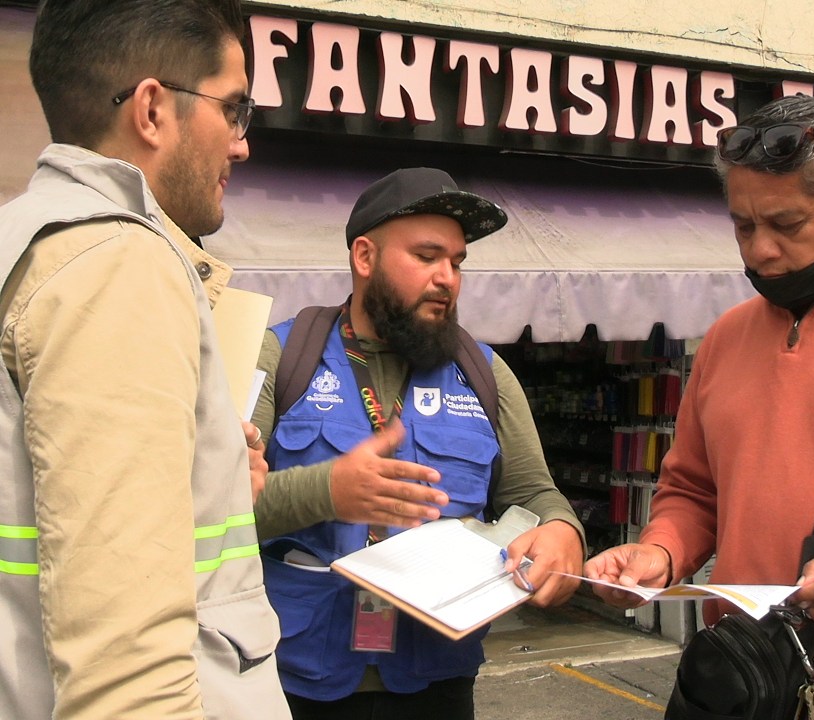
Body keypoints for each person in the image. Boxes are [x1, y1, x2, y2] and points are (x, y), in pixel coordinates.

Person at [0, 1, 291, 718]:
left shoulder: (25, 239)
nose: (242, 143)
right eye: (235, 108)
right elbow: (126, 683)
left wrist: (209, 480)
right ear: (154, 110)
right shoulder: (118, 265)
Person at [250, 167, 585, 720]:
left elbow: (536, 494)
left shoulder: (485, 374)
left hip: (437, 685)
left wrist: (562, 532)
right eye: (427, 257)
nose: (447, 278)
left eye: (457, 262)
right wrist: (326, 491)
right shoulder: (279, 358)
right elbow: (212, 510)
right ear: (365, 257)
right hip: (291, 680)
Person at [583, 94, 814, 719]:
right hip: (745, 690)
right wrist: (659, 550)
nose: (760, 250)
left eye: (787, 225)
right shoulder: (727, 337)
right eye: (744, 226)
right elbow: (692, 489)